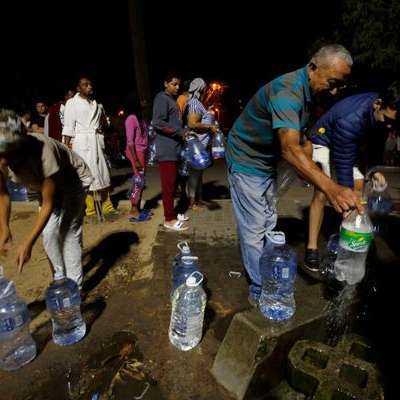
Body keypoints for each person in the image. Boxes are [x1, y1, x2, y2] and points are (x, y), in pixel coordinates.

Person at [226, 44, 361, 305]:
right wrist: (331, 189)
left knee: (267, 220)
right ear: (312, 68)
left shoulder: (311, 92)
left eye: (339, 86)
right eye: (332, 82)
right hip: (245, 159)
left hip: (267, 162)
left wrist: (312, 169)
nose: (334, 91)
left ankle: (265, 271)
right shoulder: (287, 91)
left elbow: (304, 140)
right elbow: (289, 148)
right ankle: (261, 289)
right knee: (254, 229)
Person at [303, 86, 400, 277]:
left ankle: (348, 244)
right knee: (324, 191)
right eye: (387, 120)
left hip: (350, 143)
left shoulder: (383, 115)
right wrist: (344, 197)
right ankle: (311, 247)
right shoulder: (351, 118)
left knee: (358, 191)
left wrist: (373, 171)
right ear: (378, 105)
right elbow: (343, 162)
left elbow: (371, 147)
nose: (389, 126)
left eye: (393, 123)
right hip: (324, 139)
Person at [0, 109, 93, 287]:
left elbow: (49, 203)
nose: (2, 161)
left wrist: (28, 243)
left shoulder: (44, 151)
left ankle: (74, 291)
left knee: (67, 233)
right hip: (41, 186)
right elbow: (3, 194)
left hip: (72, 183)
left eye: (6, 153)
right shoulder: (2, 158)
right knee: (49, 234)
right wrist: (4, 227)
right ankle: (59, 281)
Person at [62, 77, 118, 218]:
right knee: (86, 176)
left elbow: (105, 124)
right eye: (85, 85)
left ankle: (107, 206)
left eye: (90, 84)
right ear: (78, 88)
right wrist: (65, 148)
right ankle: (90, 209)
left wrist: (104, 120)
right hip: (82, 143)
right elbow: (68, 126)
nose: (89, 86)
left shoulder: (96, 104)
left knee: (103, 173)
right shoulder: (72, 103)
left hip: (96, 142)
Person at [152, 72, 189, 231]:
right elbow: (158, 123)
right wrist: (179, 132)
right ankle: (169, 219)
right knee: (168, 186)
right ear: (165, 83)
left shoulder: (171, 100)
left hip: (175, 149)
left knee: (174, 185)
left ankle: (174, 212)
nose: (177, 87)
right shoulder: (161, 98)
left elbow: (173, 123)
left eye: (178, 84)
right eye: (174, 84)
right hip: (166, 149)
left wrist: (183, 131)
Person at [186, 78, 219, 209]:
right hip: (197, 146)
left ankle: (198, 199)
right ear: (200, 88)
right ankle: (192, 202)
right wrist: (209, 127)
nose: (206, 91)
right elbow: (192, 123)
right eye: (205, 88)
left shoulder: (198, 103)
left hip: (201, 146)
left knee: (199, 174)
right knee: (194, 174)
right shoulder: (194, 103)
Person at [124, 102, 151, 222]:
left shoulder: (141, 119)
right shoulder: (131, 119)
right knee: (138, 180)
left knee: (141, 180)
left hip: (142, 152)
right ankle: (133, 210)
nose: (144, 102)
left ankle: (138, 208)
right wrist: (135, 160)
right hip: (136, 152)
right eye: (141, 101)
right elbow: (130, 142)